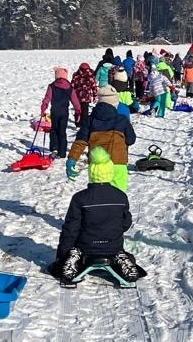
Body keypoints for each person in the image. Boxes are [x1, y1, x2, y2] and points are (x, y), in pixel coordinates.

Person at [50, 145, 146, 284]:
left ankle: (74, 256)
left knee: (76, 245)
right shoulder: (120, 197)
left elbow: (71, 229)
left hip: (86, 246)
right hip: (113, 245)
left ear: (91, 173)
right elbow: (125, 224)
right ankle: (119, 256)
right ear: (110, 172)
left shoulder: (80, 198)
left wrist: (62, 255)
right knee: (116, 245)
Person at [68, 99, 135, 189]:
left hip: (96, 165)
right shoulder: (122, 119)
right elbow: (131, 140)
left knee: (97, 192)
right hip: (118, 161)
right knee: (119, 192)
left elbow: (80, 142)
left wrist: (72, 159)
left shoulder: (89, 121)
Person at [39, 66, 81, 156]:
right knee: (62, 131)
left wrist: (43, 109)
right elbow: (75, 101)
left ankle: (54, 147)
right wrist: (78, 112)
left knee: (54, 129)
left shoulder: (52, 86)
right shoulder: (69, 87)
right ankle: (62, 152)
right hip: (64, 113)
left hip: (55, 112)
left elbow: (47, 99)